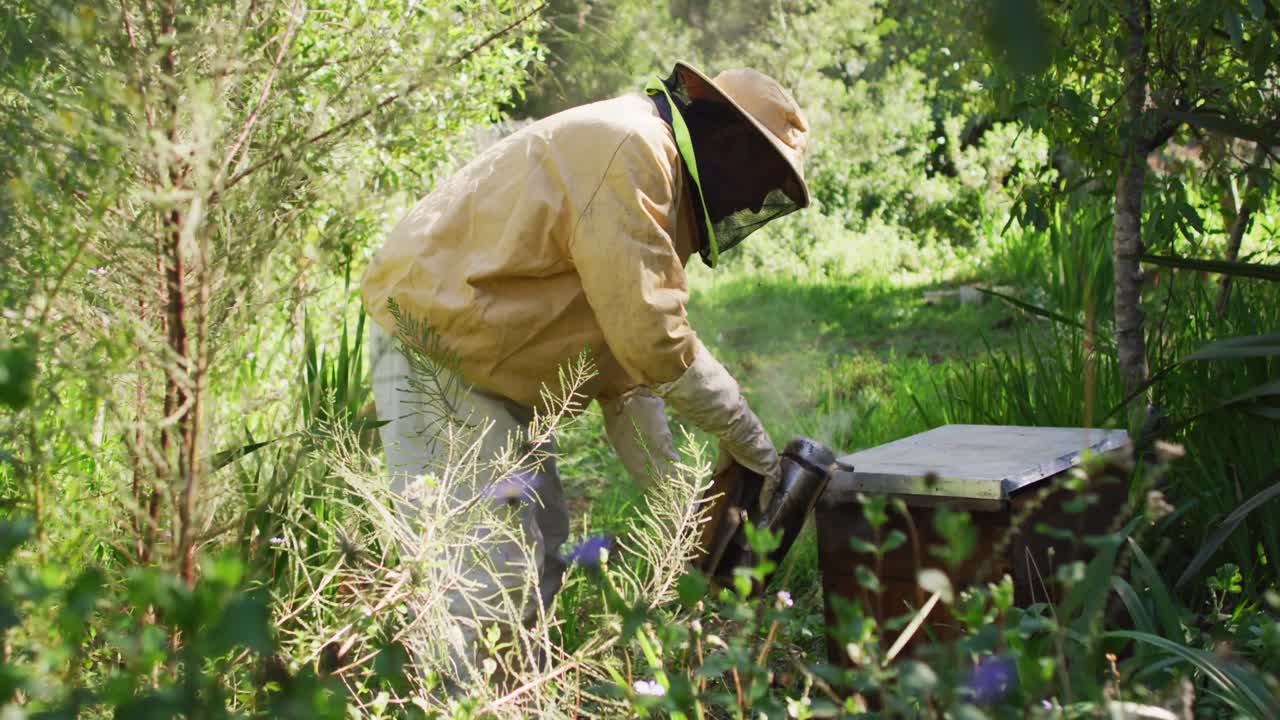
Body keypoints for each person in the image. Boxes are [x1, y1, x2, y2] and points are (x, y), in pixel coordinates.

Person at [360, 61, 810, 682]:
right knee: (487, 574)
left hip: (491, 374)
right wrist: (749, 441)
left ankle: (520, 695)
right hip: (438, 355)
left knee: (540, 546)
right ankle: (467, 699)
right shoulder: (633, 150)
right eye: (764, 179)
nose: (759, 200)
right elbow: (654, 341)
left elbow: (630, 378)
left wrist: (680, 518)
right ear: (729, 139)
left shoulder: (652, 175)